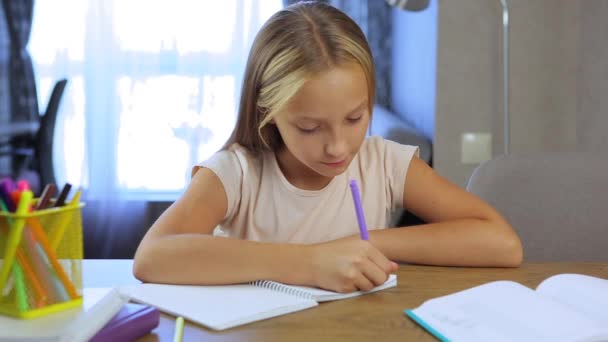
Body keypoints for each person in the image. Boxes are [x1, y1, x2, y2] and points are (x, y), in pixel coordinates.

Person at [133, 1, 522, 293]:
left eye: (355, 118)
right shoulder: (238, 173)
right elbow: (152, 257)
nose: (338, 146)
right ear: (269, 113)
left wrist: (365, 244)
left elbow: (502, 244)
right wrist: (309, 262)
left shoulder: (383, 163)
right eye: (309, 127)